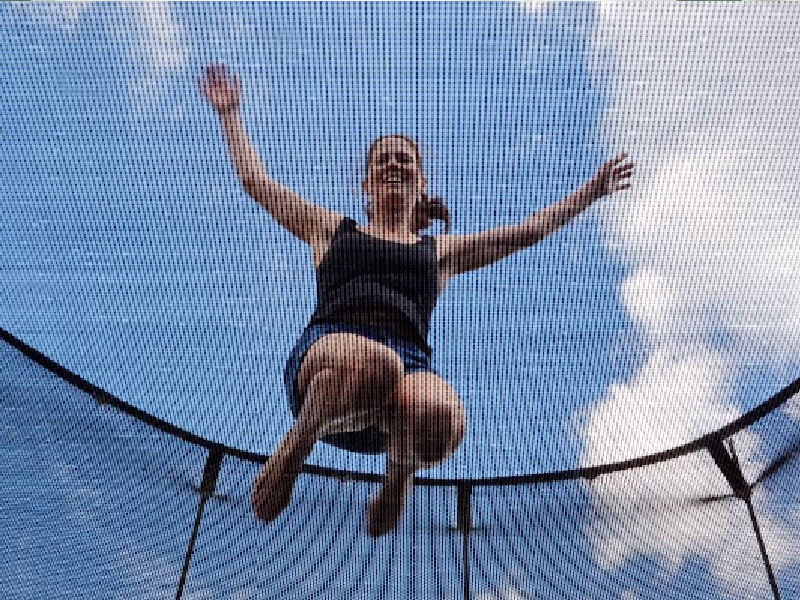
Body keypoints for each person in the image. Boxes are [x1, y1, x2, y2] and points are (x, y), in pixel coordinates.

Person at [198, 64, 634, 537]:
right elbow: (258, 183)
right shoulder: (330, 230)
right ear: (365, 186)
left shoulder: (439, 253)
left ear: (421, 184)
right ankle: (297, 447)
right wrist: (230, 113)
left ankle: (399, 475)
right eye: (382, 159)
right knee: (374, 364)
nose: (394, 163)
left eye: (405, 158)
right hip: (331, 367)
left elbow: (524, 233)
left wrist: (594, 190)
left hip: (404, 380)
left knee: (442, 415)